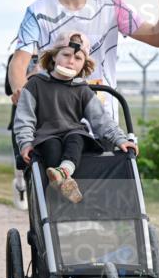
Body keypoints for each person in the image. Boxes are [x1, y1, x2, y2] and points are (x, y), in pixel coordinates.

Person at [7, 0, 159, 209]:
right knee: (55, 186)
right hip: (53, 112)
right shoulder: (38, 11)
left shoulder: (112, 6)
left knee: (105, 192)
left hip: (98, 108)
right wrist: (20, 89)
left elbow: (158, 38)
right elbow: (20, 61)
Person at [13, 32, 138, 203]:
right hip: (46, 136)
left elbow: (101, 119)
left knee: (77, 137)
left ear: (83, 65)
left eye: (78, 58)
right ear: (54, 56)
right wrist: (26, 143)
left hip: (73, 133)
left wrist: (120, 139)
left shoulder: (82, 90)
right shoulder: (35, 84)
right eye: (66, 55)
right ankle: (64, 185)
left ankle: (63, 173)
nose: (71, 61)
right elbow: (25, 118)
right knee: (52, 146)